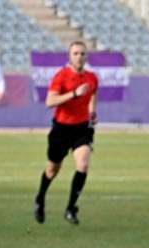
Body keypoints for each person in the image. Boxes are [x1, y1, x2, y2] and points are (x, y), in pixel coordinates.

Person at [33, 41, 98, 225]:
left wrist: (92, 111)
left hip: (81, 129)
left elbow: (93, 94)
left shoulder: (92, 77)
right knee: (52, 170)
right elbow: (49, 101)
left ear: (86, 57)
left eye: (82, 53)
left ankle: (70, 208)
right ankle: (40, 198)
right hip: (61, 129)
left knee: (83, 164)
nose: (79, 56)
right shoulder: (61, 76)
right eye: (76, 53)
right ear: (70, 56)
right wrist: (74, 94)